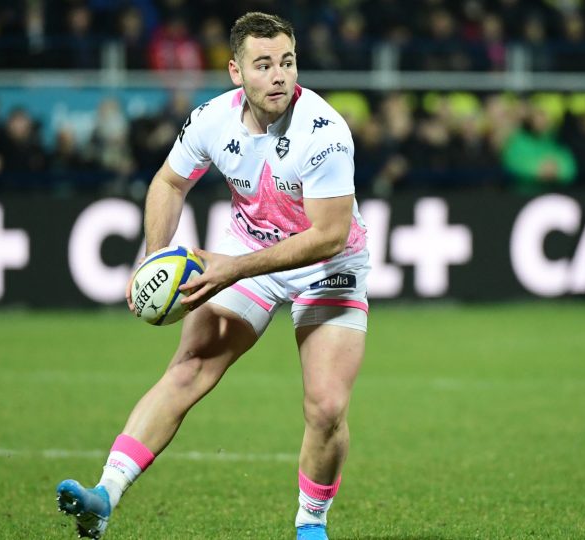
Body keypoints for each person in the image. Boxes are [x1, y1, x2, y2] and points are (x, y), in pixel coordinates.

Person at [55, 12, 369, 540]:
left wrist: (231, 268)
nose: (279, 76)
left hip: (327, 267)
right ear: (234, 72)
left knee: (327, 406)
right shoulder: (210, 121)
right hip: (250, 250)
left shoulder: (324, 131)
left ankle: (310, 525)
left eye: (287, 62)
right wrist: (155, 258)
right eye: (264, 64)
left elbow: (328, 237)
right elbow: (169, 182)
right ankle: (103, 496)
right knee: (189, 366)